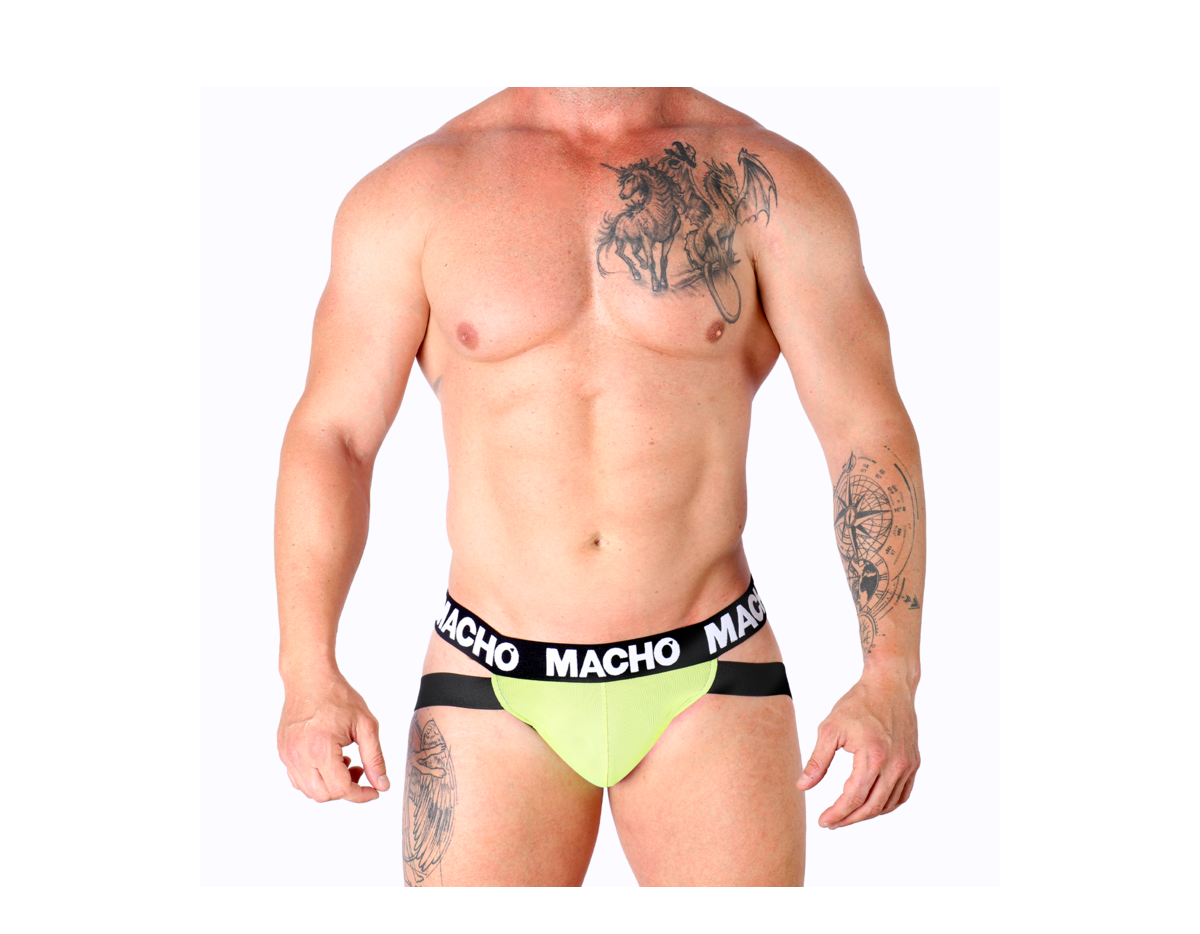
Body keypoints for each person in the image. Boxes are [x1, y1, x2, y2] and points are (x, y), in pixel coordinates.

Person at [275, 88, 924, 886]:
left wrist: (891, 674)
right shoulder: (415, 193)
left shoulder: (767, 181)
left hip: (713, 672)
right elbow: (333, 437)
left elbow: (864, 428)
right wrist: (307, 673)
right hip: (487, 675)